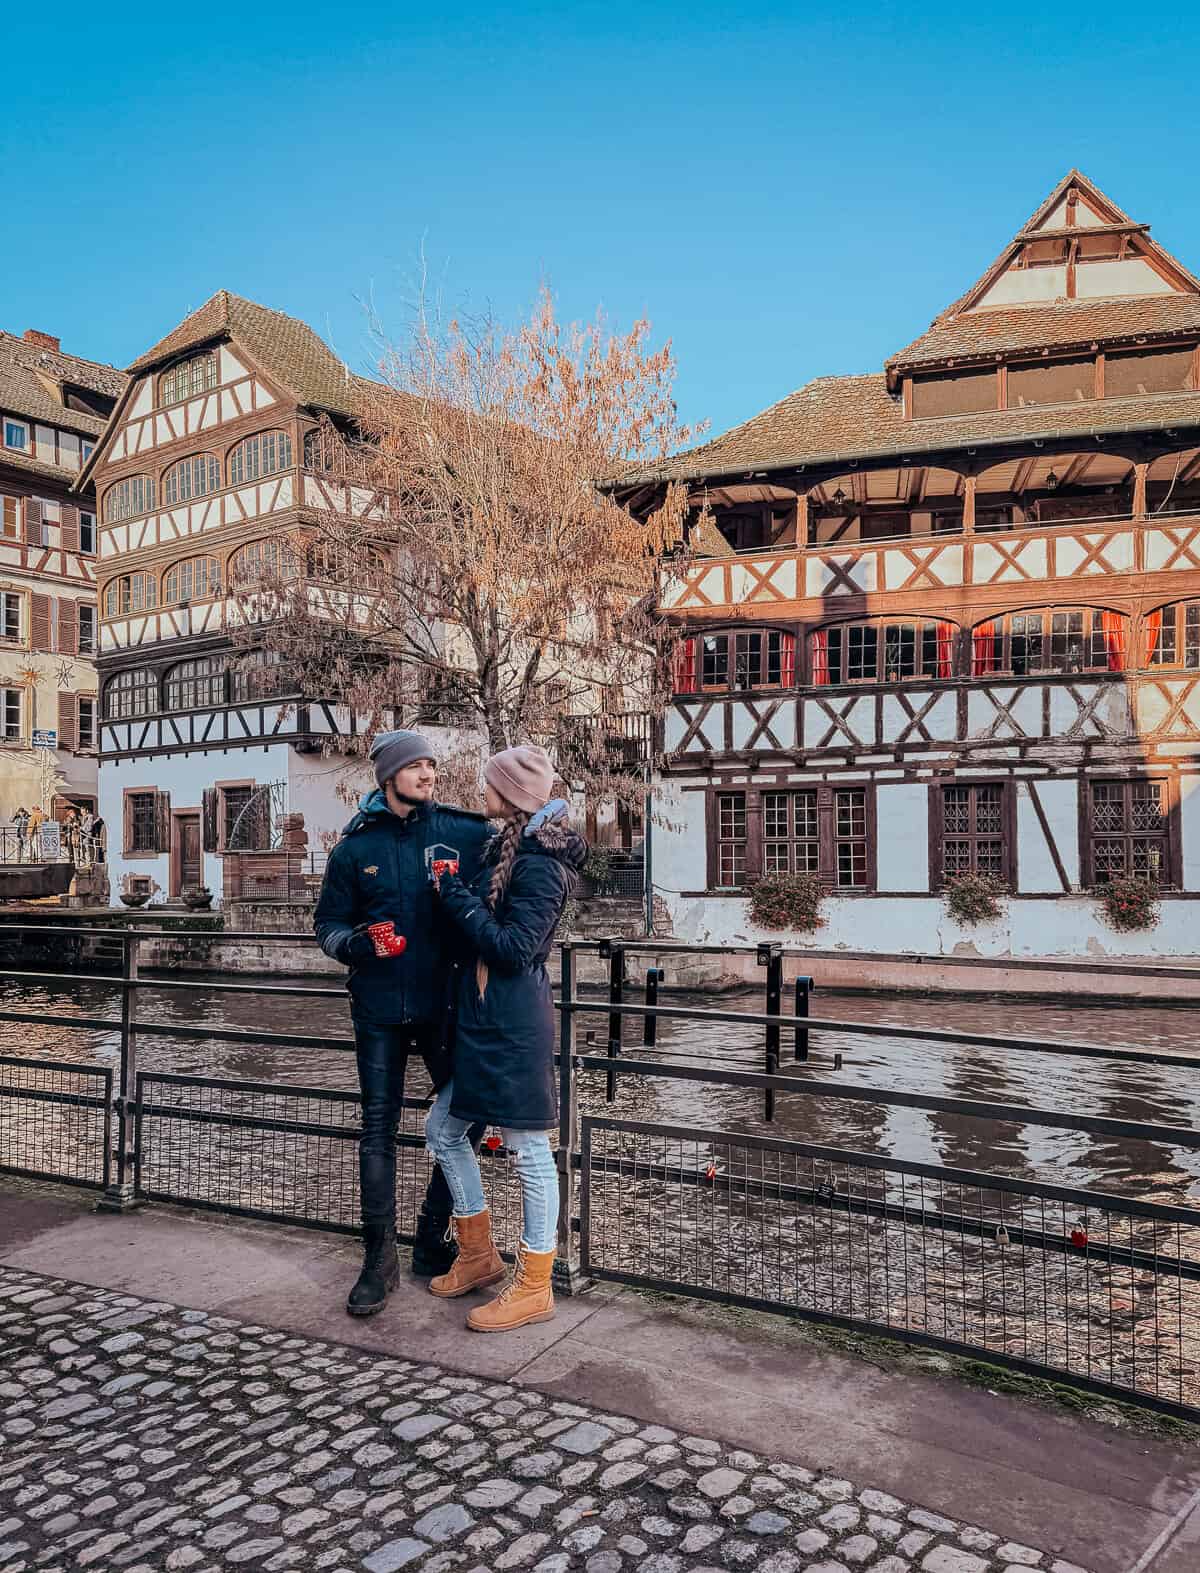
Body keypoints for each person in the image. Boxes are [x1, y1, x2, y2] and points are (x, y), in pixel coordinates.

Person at [314, 730, 491, 1317]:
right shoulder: (353, 848)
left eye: (431, 765)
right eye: (416, 766)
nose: (428, 774)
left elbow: (521, 860)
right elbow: (328, 926)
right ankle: (378, 1260)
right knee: (378, 1131)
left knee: (465, 1121)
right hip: (379, 1007)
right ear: (388, 776)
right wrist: (357, 944)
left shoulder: (463, 833)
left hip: (447, 1006)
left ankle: (432, 1238)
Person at [425, 744, 586, 1333]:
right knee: (442, 1131)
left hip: (514, 1024)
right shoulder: (503, 847)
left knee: (529, 1151)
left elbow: (517, 949)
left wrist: (453, 896)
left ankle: (535, 1284)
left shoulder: (543, 863)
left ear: (512, 793)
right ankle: (478, 1254)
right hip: (483, 1019)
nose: (480, 790)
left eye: (490, 783)